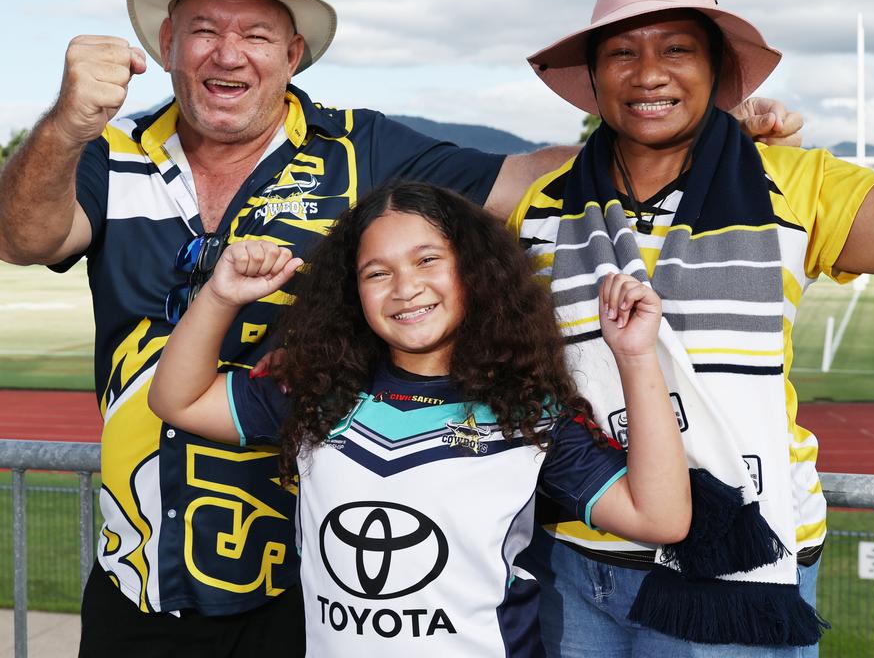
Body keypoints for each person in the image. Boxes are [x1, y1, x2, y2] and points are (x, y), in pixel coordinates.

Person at [0, 0, 800, 656]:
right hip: (136, 580)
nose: (227, 54)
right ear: (168, 44)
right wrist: (68, 123)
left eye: (255, 34)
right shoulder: (104, 154)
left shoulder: (367, 150)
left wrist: (706, 136)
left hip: (295, 595)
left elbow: (531, 176)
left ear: (295, 53)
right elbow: (21, 238)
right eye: (204, 30)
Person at [511, 0, 874, 657]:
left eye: (676, 49)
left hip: (736, 574)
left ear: (718, 69)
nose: (648, 73)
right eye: (623, 52)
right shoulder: (537, 200)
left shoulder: (793, 183)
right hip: (576, 560)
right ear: (593, 77)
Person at [147, 180, 691, 657]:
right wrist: (220, 296)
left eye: (428, 260)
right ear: (351, 292)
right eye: (376, 272)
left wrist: (636, 355)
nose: (405, 287)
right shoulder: (319, 393)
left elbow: (660, 518)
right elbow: (179, 400)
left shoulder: (527, 413)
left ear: (473, 271)